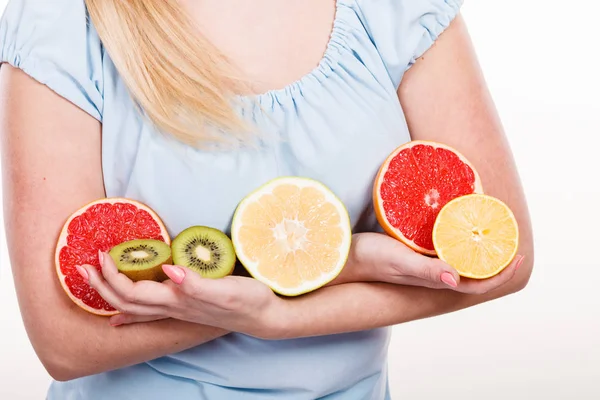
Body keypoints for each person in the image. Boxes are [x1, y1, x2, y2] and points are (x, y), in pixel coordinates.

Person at [0, 0, 534, 399]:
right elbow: (63, 343)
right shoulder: (65, 20)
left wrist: (279, 315)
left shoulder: (392, 7)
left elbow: (501, 254)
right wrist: (338, 266)